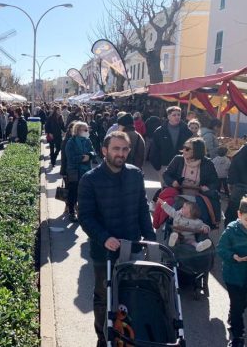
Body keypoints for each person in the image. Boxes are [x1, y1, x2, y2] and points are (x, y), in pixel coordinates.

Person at [78, 131, 156, 346]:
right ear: (104, 151)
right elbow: (85, 217)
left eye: (124, 149)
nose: (120, 153)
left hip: (132, 247)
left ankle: (127, 336)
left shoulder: (135, 174)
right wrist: (104, 238)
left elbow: (142, 209)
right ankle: (103, 338)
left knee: (130, 294)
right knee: (104, 297)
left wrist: (150, 238)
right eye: (116, 148)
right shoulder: (90, 179)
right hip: (104, 251)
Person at [217, 196, 247, 347]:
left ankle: (233, 315)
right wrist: (233, 256)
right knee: (237, 305)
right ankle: (238, 336)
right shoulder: (231, 230)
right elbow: (220, 249)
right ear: (239, 215)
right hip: (233, 275)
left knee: (242, 304)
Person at [150, 106, 192, 184]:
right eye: (174, 115)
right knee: (166, 191)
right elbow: (154, 150)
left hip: (183, 166)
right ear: (168, 116)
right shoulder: (160, 131)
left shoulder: (187, 131)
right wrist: (158, 167)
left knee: (180, 192)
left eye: (178, 115)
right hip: (165, 166)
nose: (177, 117)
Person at [65, 121, 94, 222]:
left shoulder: (88, 140)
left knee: (84, 192)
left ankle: (82, 212)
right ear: (77, 130)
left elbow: (93, 152)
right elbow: (70, 157)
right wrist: (82, 158)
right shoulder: (71, 142)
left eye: (87, 129)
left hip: (86, 170)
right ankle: (71, 212)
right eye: (85, 130)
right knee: (73, 191)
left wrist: (90, 155)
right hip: (74, 170)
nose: (87, 131)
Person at [225, 144, 247, 226]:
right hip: (240, 187)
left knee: (232, 217)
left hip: (239, 187)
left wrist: (231, 182)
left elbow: (234, 165)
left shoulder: (243, 150)